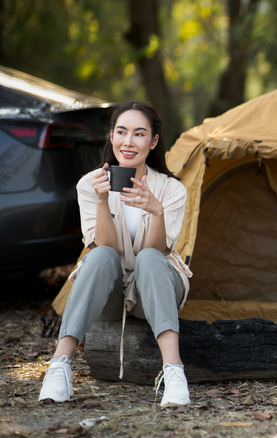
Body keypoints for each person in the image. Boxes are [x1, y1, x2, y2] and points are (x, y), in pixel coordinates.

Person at [38, 101, 193, 407]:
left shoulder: (172, 190)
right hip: (110, 294)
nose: (129, 141)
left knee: (149, 258)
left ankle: (174, 372)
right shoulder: (89, 184)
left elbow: (157, 251)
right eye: (122, 132)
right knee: (99, 257)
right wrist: (101, 199)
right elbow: (104, 246)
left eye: (139, 134)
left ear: (154, 141)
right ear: (111, 137)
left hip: (155, 292)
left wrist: (156, 212)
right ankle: (59, 367)